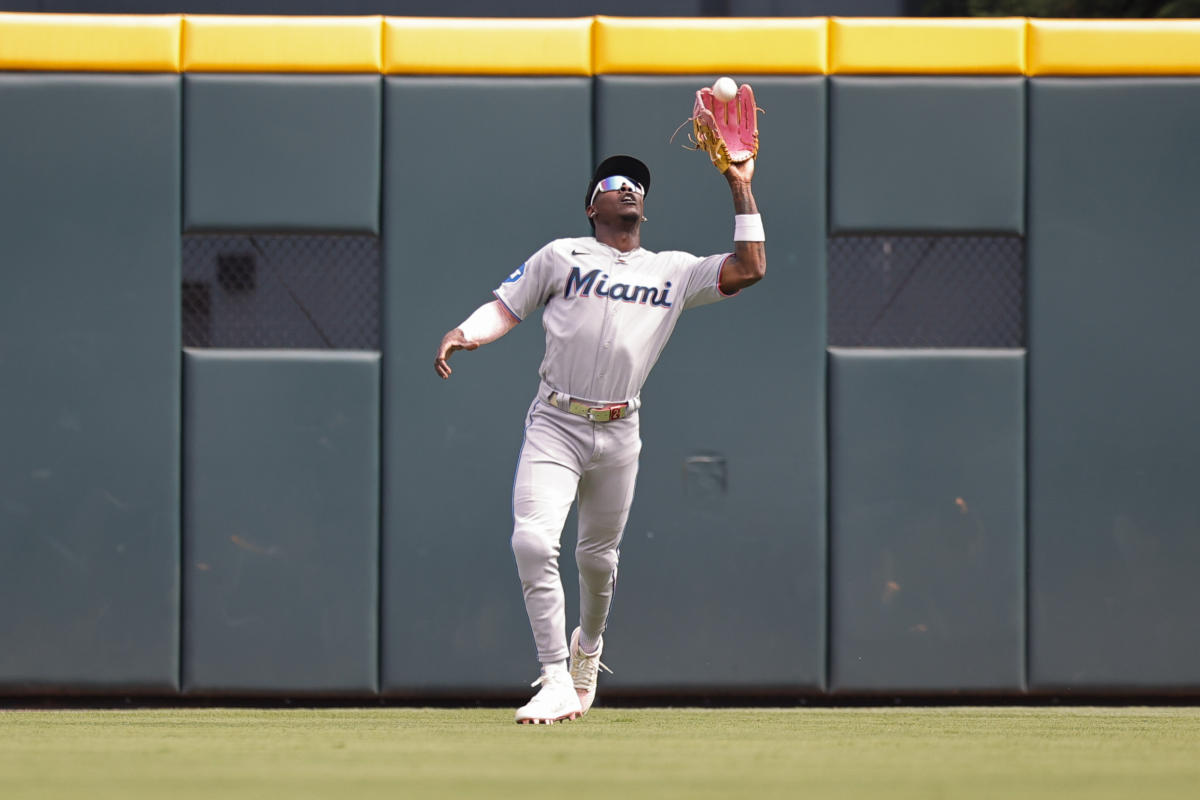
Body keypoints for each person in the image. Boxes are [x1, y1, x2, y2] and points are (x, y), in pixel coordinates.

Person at [434, 152, 765, 724]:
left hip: (619, 430)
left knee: (597, 560)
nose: (630, 187)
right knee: (533, 543)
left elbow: (750, 267)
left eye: (638, 183)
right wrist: (464, 333)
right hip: (556, 423)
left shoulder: (674, 269)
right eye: (616, 182)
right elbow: (506, 307)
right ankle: (557, 677)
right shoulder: (563, 254)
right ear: (593, 205)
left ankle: (589, 648)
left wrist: (739, 186)